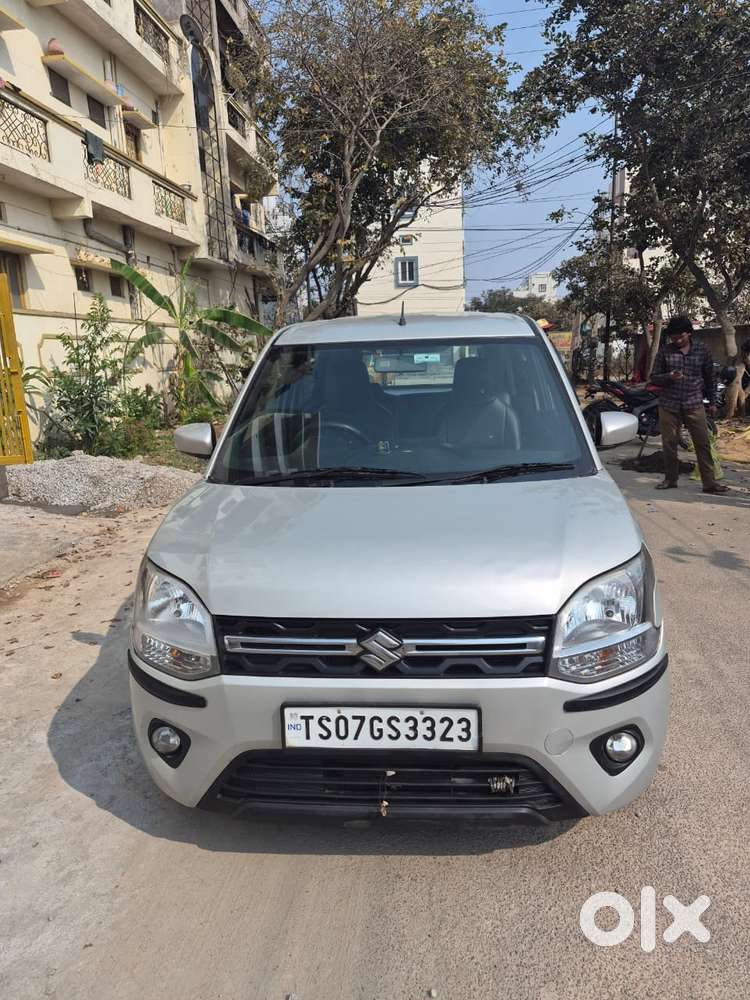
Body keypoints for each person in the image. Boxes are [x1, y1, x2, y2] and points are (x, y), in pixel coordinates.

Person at [650, 315, 728, 494]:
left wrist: (713, 402)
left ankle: (709, 484)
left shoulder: (702, 351)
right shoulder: (665, 351)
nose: (676, 340)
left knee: (702, 443)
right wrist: (669, 376)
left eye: (680, 337)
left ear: (689, 334)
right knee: (669, 443)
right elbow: (654, 377)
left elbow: (710, 378)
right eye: (673, 338)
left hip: (694, 403)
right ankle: (670, 480)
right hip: (669, 404)